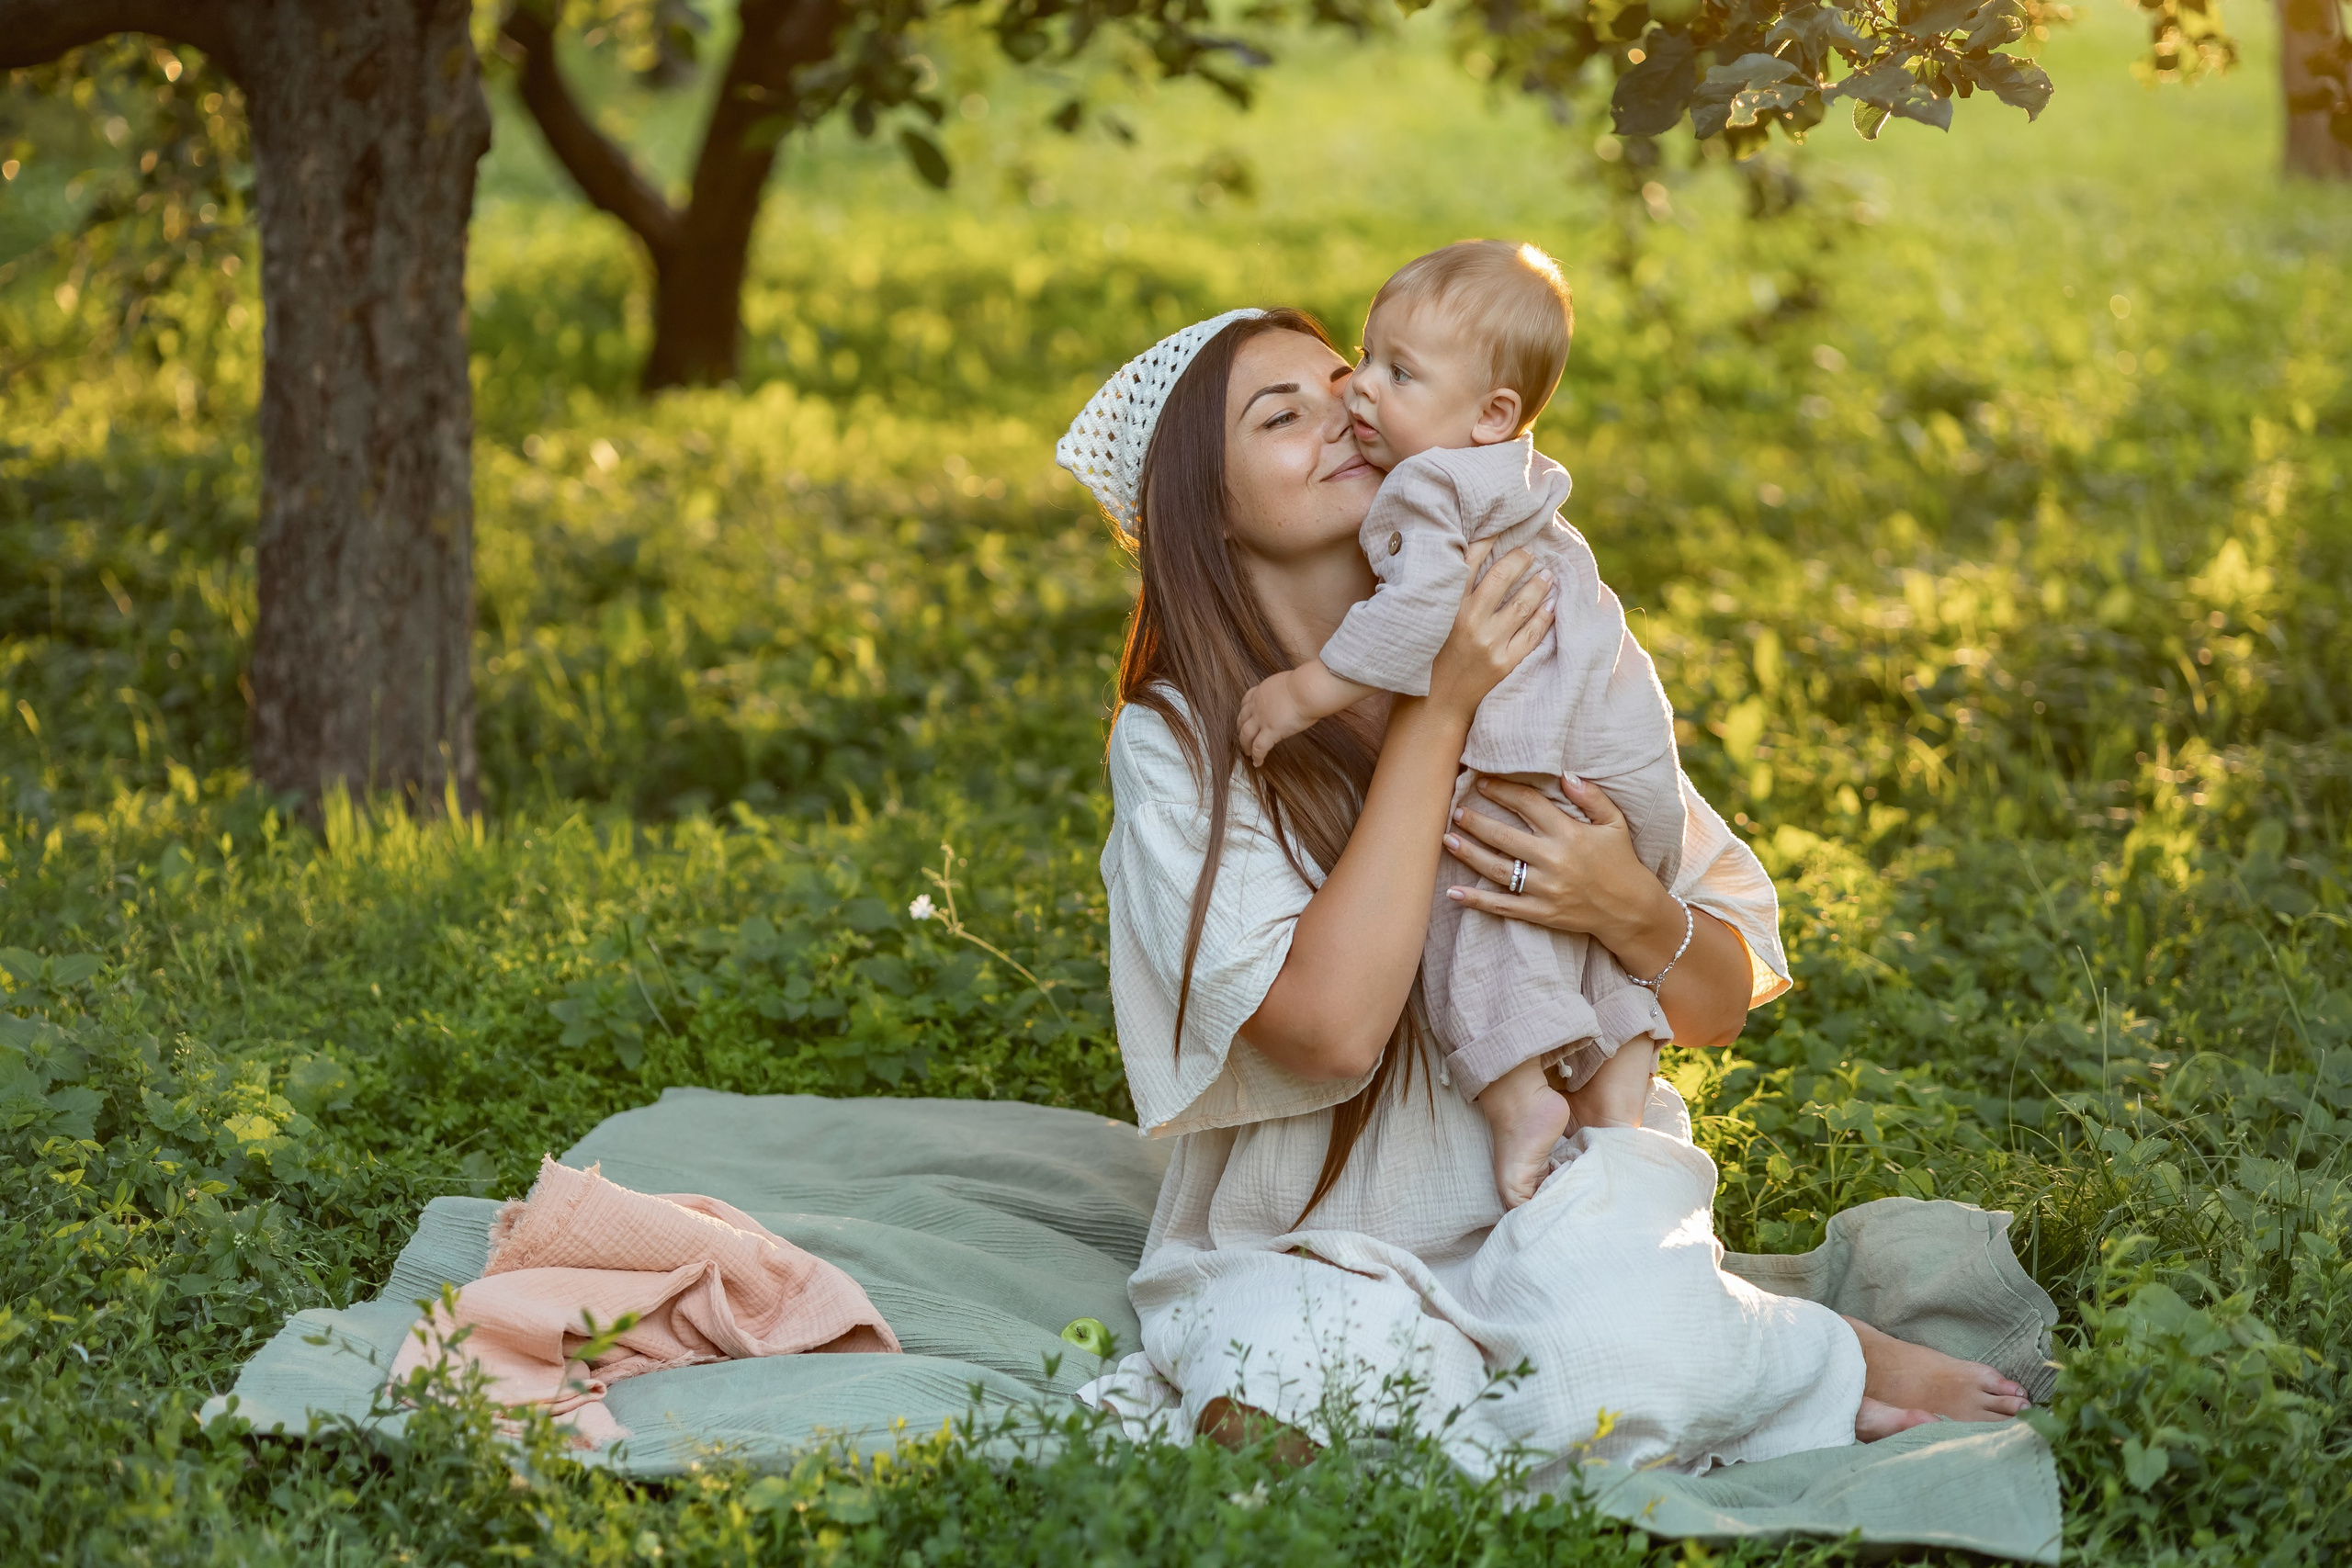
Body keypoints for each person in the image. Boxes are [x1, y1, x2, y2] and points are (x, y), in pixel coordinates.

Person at [1054, 306, 2031, 1478]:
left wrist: (1625, 905)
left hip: (1555, 1203)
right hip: (1305, 1238)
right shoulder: (1181, 740)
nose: (1346, 413)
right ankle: (1723, 1352)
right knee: (1299, 1386)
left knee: (1621, 1372)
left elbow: (1716, 1002)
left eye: (1344, 380)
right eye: (1281, 416)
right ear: (1201, 507)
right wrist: (1440, 705)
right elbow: (1331, 1032)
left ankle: (1800, 1350)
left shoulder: (1535, 629)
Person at [1232, 240, 1685, 1211]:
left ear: (1490, 414)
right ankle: (1618, 1079)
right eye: (1366, 358)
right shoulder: (1514, 478)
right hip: (1618, 742)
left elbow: (1414, 611)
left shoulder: (1429, 485)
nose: (1357, 395)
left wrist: (1306, 692)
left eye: (1390, 373)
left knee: (1471, 900)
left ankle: (1519, 1091)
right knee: (1561, 923)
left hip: (1542, 745)